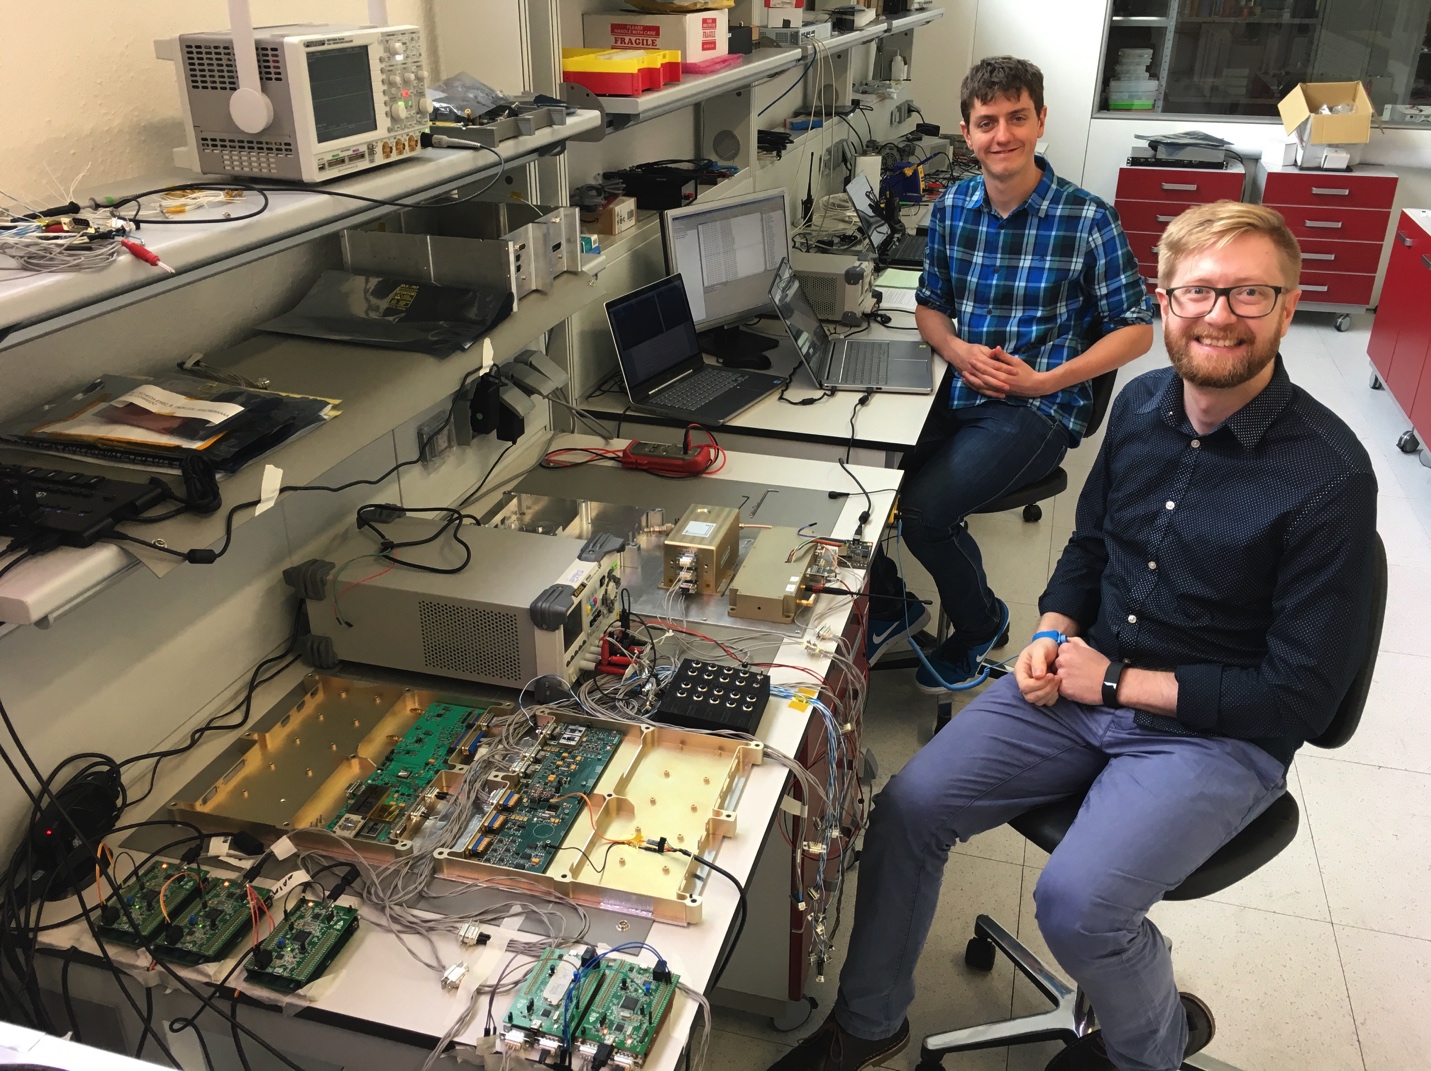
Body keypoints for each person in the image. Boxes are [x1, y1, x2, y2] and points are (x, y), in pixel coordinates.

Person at [770, 200, 1380, 1071]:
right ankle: (870, 1023)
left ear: (1287, 306)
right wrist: (1052, 630)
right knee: (907, 809)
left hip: (1214, 731)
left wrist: (1109, 683)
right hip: (1082, 681)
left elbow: (1299, 696)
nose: (1218, 315)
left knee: (1075, 903)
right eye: (1197, 292)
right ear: (1162, 302)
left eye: (1249, 294)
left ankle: (1151, 1043)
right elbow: (1090, 547)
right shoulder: (1137, 408)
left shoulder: (1327, 474)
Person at [865, 56, 1154, 692]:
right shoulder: (953, 207)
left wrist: (1045, 382)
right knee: (859, 470)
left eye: (1017, 118)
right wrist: (957, 350)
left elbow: (1137, 328)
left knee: (922, 514)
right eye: (987, 122)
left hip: (1036, 407)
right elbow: (929, 306)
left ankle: (981, 624)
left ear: (1040, 120)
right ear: (966, 134)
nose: (1003, 136)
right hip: (958, 385)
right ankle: (890, 601)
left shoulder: (1087, 219)